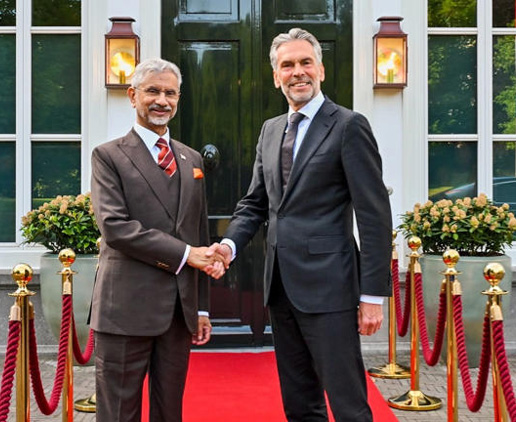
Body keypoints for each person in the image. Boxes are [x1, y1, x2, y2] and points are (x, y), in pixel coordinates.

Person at [210, 28, 393, 421]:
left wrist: (372, 296)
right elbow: (255, 204)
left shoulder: (349, 126)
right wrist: (228, 246)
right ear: (276, 76)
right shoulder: (271, 129)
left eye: (305, 62)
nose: (297, 72)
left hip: (332, 288)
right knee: (299, 402)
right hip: (280, 288)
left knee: (348, 403)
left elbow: (374, 215)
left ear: (321, 70)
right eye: (287, 65)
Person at [90, 57, 225, 422]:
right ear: (132, 95)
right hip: (124, 311)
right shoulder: (108, 156)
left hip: (178, 314)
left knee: (170, 413)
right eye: (153, 91)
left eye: (170, 93)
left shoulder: (191, 159)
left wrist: (201, 309)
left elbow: (198, 235)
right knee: (119, 414)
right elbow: (115, 228)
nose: (162, 101)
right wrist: (186, 254)